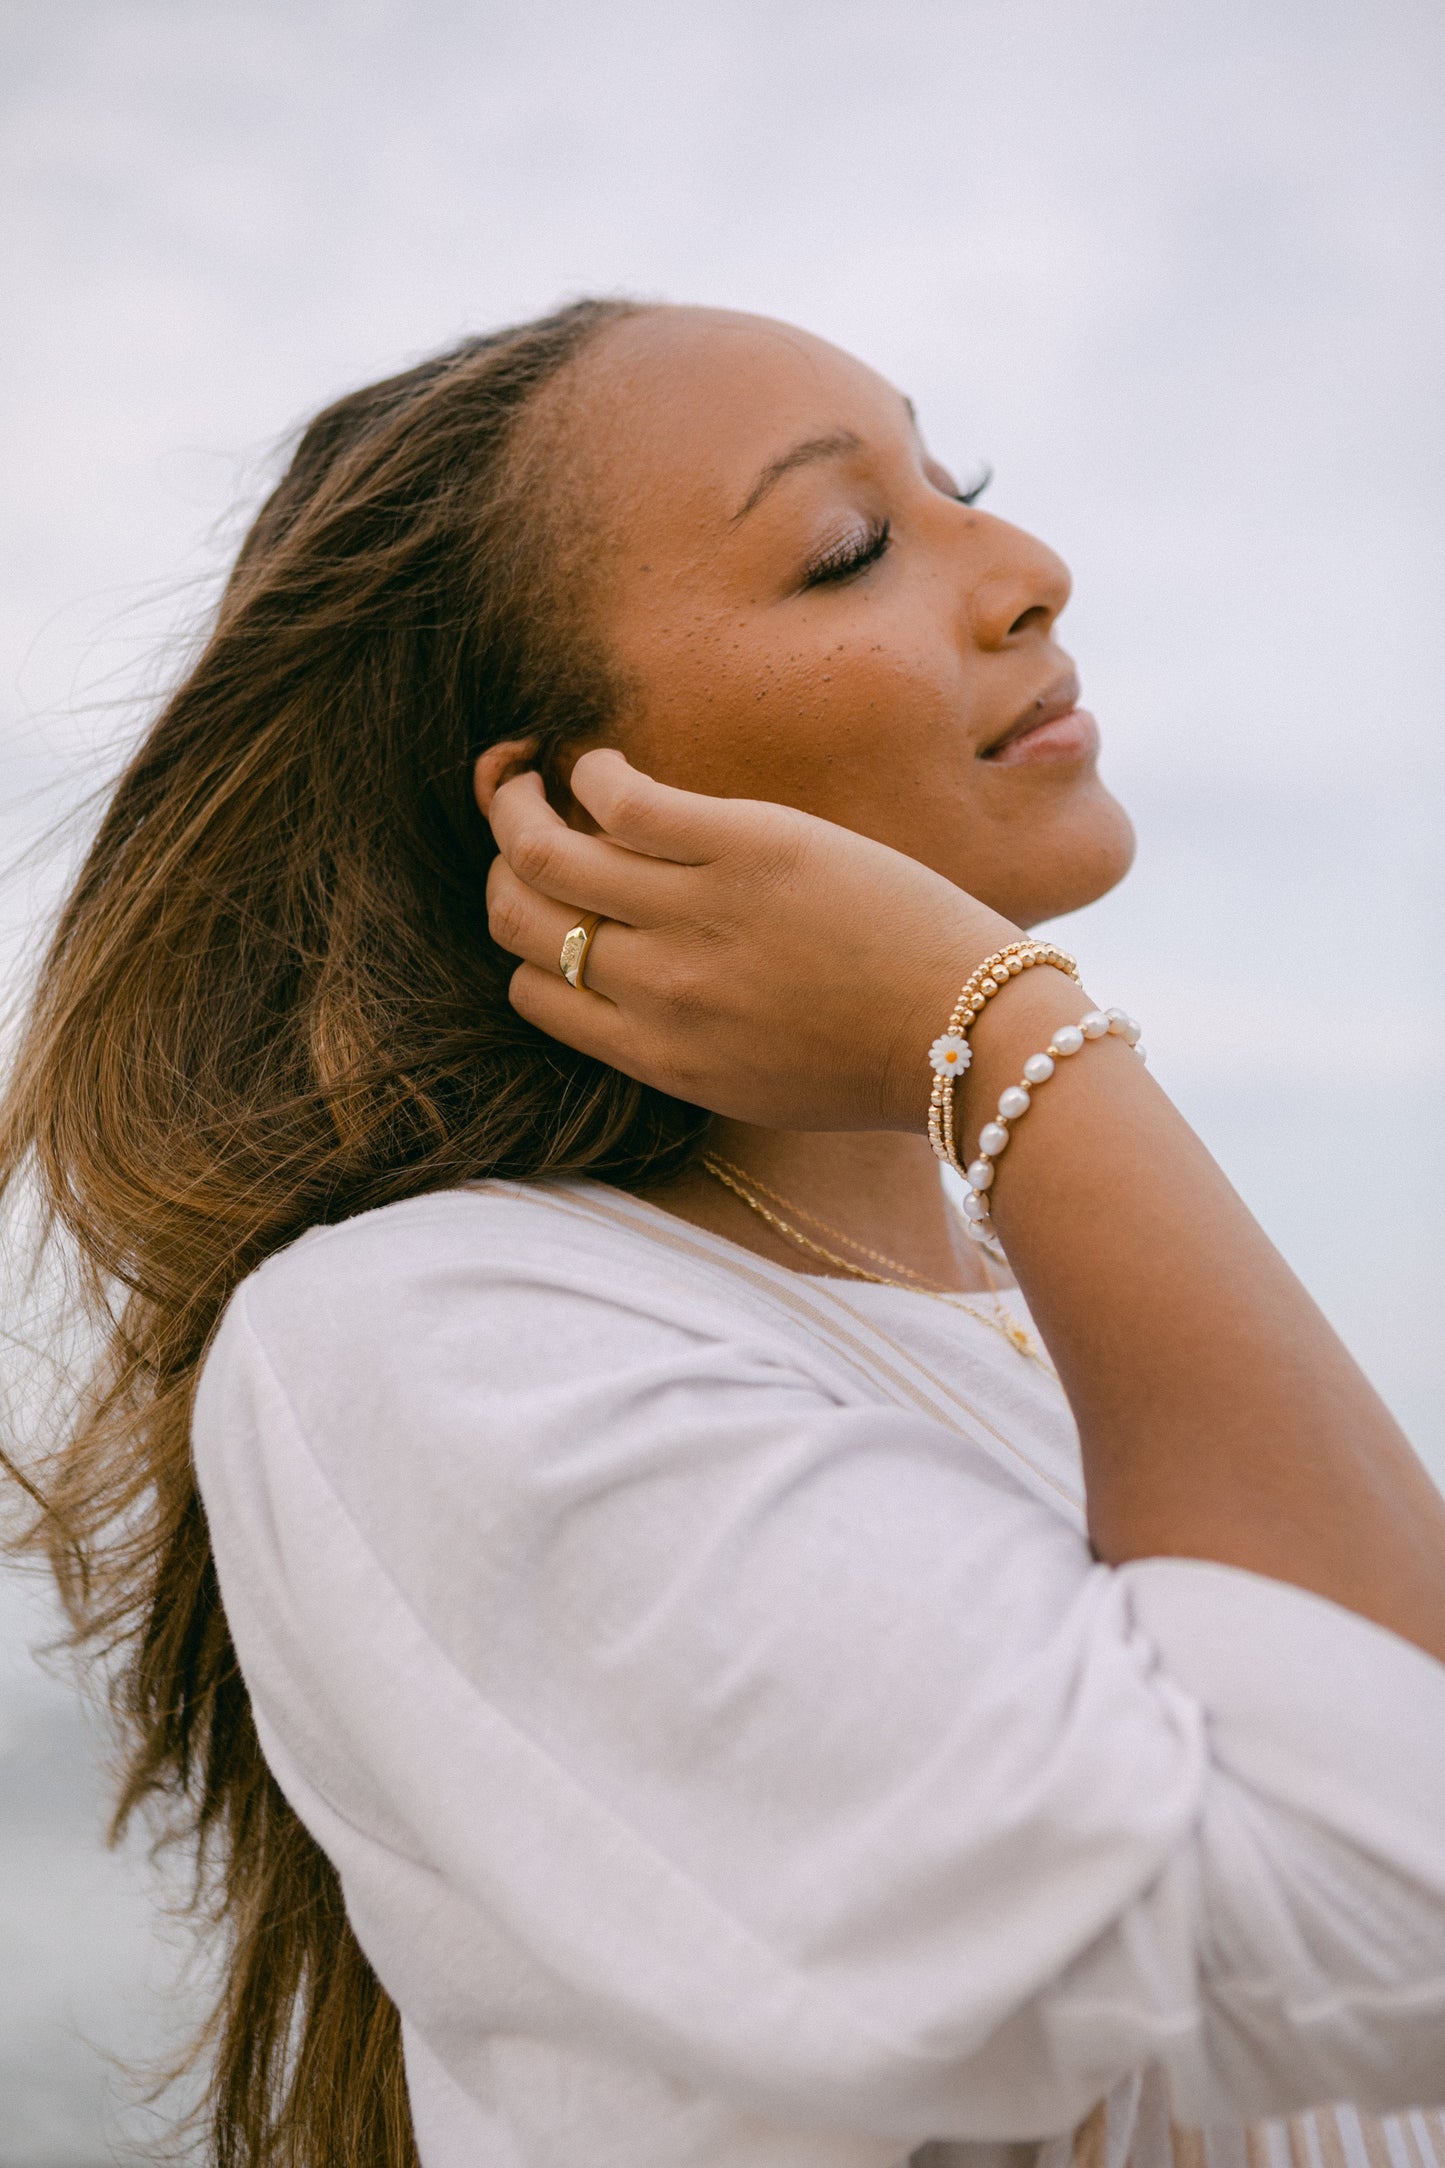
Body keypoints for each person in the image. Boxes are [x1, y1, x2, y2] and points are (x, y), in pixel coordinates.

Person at [3, 298, 1444, 2168]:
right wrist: (1014, 1036)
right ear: (565, 813)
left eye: (960, 481)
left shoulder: (1037, 1313)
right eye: (847, 547)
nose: (1027, 567)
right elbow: (1387, 1895)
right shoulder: (430, 1333)